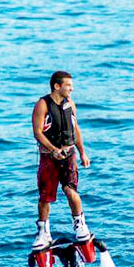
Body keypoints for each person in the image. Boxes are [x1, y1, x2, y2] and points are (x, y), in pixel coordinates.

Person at [31, 71, 92, 250]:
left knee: (71, 190)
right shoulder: (42, 105)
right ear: (57, 86)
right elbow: (37, 132)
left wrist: (82, 153)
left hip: (69, 154)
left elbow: (76, 129)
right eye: (68, 85)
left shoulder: (70, 104)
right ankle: (44, 233)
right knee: (45, 197)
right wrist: (53, 150)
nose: (71, 89)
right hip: (48, 157)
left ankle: (80, 225)